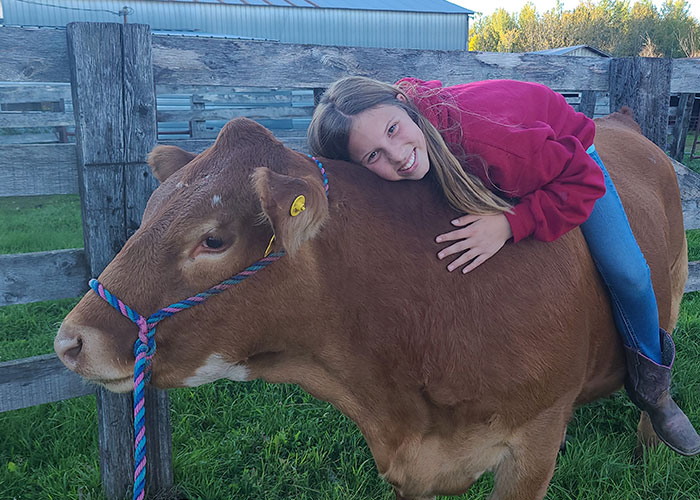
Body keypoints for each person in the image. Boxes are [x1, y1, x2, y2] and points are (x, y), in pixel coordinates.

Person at [307, 75, 700, 456]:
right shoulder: (410, 144)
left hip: (567, 153)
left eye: (393, 130)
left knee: (628, 271)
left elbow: (583, 181)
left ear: (403, 105)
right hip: (492, 150)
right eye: (373, 155)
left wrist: (509, 223)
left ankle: (656, 392)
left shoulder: (493, 143)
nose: (398, 156)